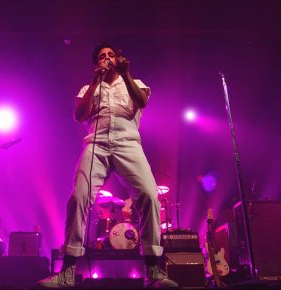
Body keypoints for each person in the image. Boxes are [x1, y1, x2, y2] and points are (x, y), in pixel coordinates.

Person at [37, 43, 178, 288]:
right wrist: (94, 82)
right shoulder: (87, 87)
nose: (107, 58)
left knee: (149, 195)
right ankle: (68, 272)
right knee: (79, 197)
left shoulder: (135, 82)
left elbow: (142, 102)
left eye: (111, 55)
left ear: (118, 59)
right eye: (102, 56)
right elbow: (79, 115)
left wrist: (126, 73)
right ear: (96, 63)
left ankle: (153, 270)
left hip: (128, 143)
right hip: (96, 144)